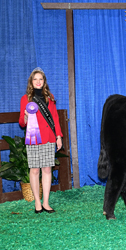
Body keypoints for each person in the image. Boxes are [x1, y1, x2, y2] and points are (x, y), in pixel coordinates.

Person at [19, 67, 63, 213]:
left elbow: (55, 118)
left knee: (46, 169)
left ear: (44, 82)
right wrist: (25, 115)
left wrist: (58, 136)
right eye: (35, 79)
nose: (38, 81)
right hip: (33, 138)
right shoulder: (25, 99)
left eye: (41, 79)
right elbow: (22, 123)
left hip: (49, 137)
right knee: (34, 170)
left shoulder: (50, 97)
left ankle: (46, 202)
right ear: (31, 82)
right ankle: (37, 203)